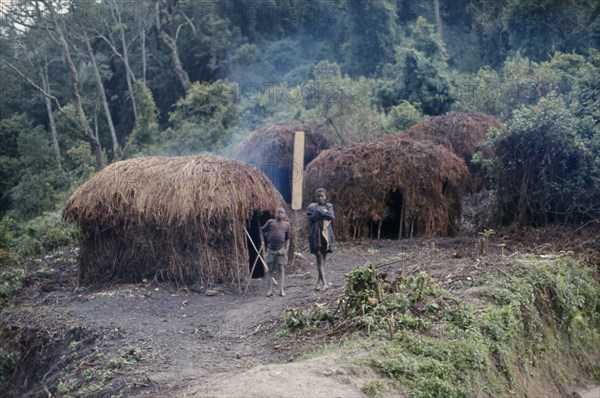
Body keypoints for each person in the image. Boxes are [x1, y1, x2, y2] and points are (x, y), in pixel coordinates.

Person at [307, 188, 334, 291]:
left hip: (326, 236)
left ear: (325, 197)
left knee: (323, 260)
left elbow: (331, 216)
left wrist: (320, 212)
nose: (320, 198)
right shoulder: (312, 206)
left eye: (322, 196)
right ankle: (325, 283)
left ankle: (318, 282)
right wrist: (323, 213)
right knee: (319, 259)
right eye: (318, 196)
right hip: (316, 236)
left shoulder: (329, 206)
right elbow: (311, 217)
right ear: (316, 197)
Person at [260, 207, 291, 297]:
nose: (279, 214)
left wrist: (286, 249)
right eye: (278, 213)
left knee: (281, 269)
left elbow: (288, 238)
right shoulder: (271, 222)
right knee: (270, 270)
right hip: (271, 249)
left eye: (281, 213)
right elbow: (262, 230)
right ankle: (269, 290)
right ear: (275, 214)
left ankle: (281, 290)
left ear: (284, 215)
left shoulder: (286, 225)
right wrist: (266, 236)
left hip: (281, 250)